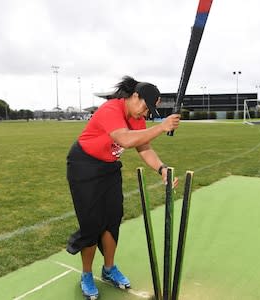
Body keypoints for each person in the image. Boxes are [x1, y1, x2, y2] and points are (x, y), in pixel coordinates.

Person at [65, 75, 180, 299]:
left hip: (108, 168)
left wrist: (162, 169)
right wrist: (162, 127)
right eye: (145, 108)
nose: (145, 114)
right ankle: (86, 274)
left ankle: (109, 269)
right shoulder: (111, 109)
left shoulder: (138, 118)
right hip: (83, 166)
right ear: (135, 96)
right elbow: (126, 139)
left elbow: (143, 148)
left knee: (112, 219)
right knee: (92, 224)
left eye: (149, 112)